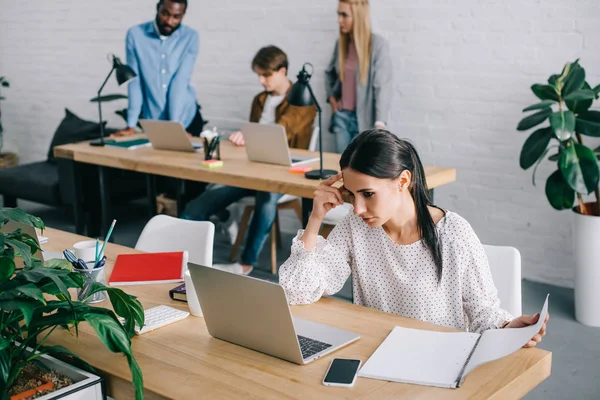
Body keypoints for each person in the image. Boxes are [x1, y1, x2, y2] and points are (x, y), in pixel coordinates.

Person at [279, 129, 549, 344]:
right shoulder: (356, 226)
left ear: (403, 181)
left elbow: (482, 313)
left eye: (368, 194)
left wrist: (507, 325)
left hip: (438, 362)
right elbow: (296, 291)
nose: (358, 208)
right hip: (373, 355)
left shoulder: (454, 233)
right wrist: (315, 220)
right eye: (351, 195)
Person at [181, 46, 316, 275]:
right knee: (199, 205)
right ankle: (182, 258)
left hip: (283, 173)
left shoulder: (301, 100)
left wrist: (250, 135)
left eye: (266, 75)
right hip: (251, 169)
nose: (261, 80)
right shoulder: (259, 100)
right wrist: (243, 137)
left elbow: (283, 129)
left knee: (266, 196)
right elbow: (254, 134)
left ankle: (245, 263)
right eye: (259, 75)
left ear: (282, 71)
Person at [113, 0, 206, 137]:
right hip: (154, 118)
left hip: (185, 118)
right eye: (165, 14)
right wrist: (131, 124)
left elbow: (180, 81)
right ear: (158, 8)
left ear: (183, 15)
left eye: (176, 17)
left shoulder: (190, 37)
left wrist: (175, 126)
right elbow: (135, 81)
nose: (169, 21)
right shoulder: (135, 35)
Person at [325, 0, 393, 153]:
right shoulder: (341, 44)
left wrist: (380, 123)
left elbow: (382, 86)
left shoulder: (377, 45)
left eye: (344, 15)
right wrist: (331, 99)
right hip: (341, 118)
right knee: (342, 169)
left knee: (360, 170)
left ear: (358, 16)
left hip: (363, 121)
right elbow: (329, 73)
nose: (339, 20)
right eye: (338, 14)